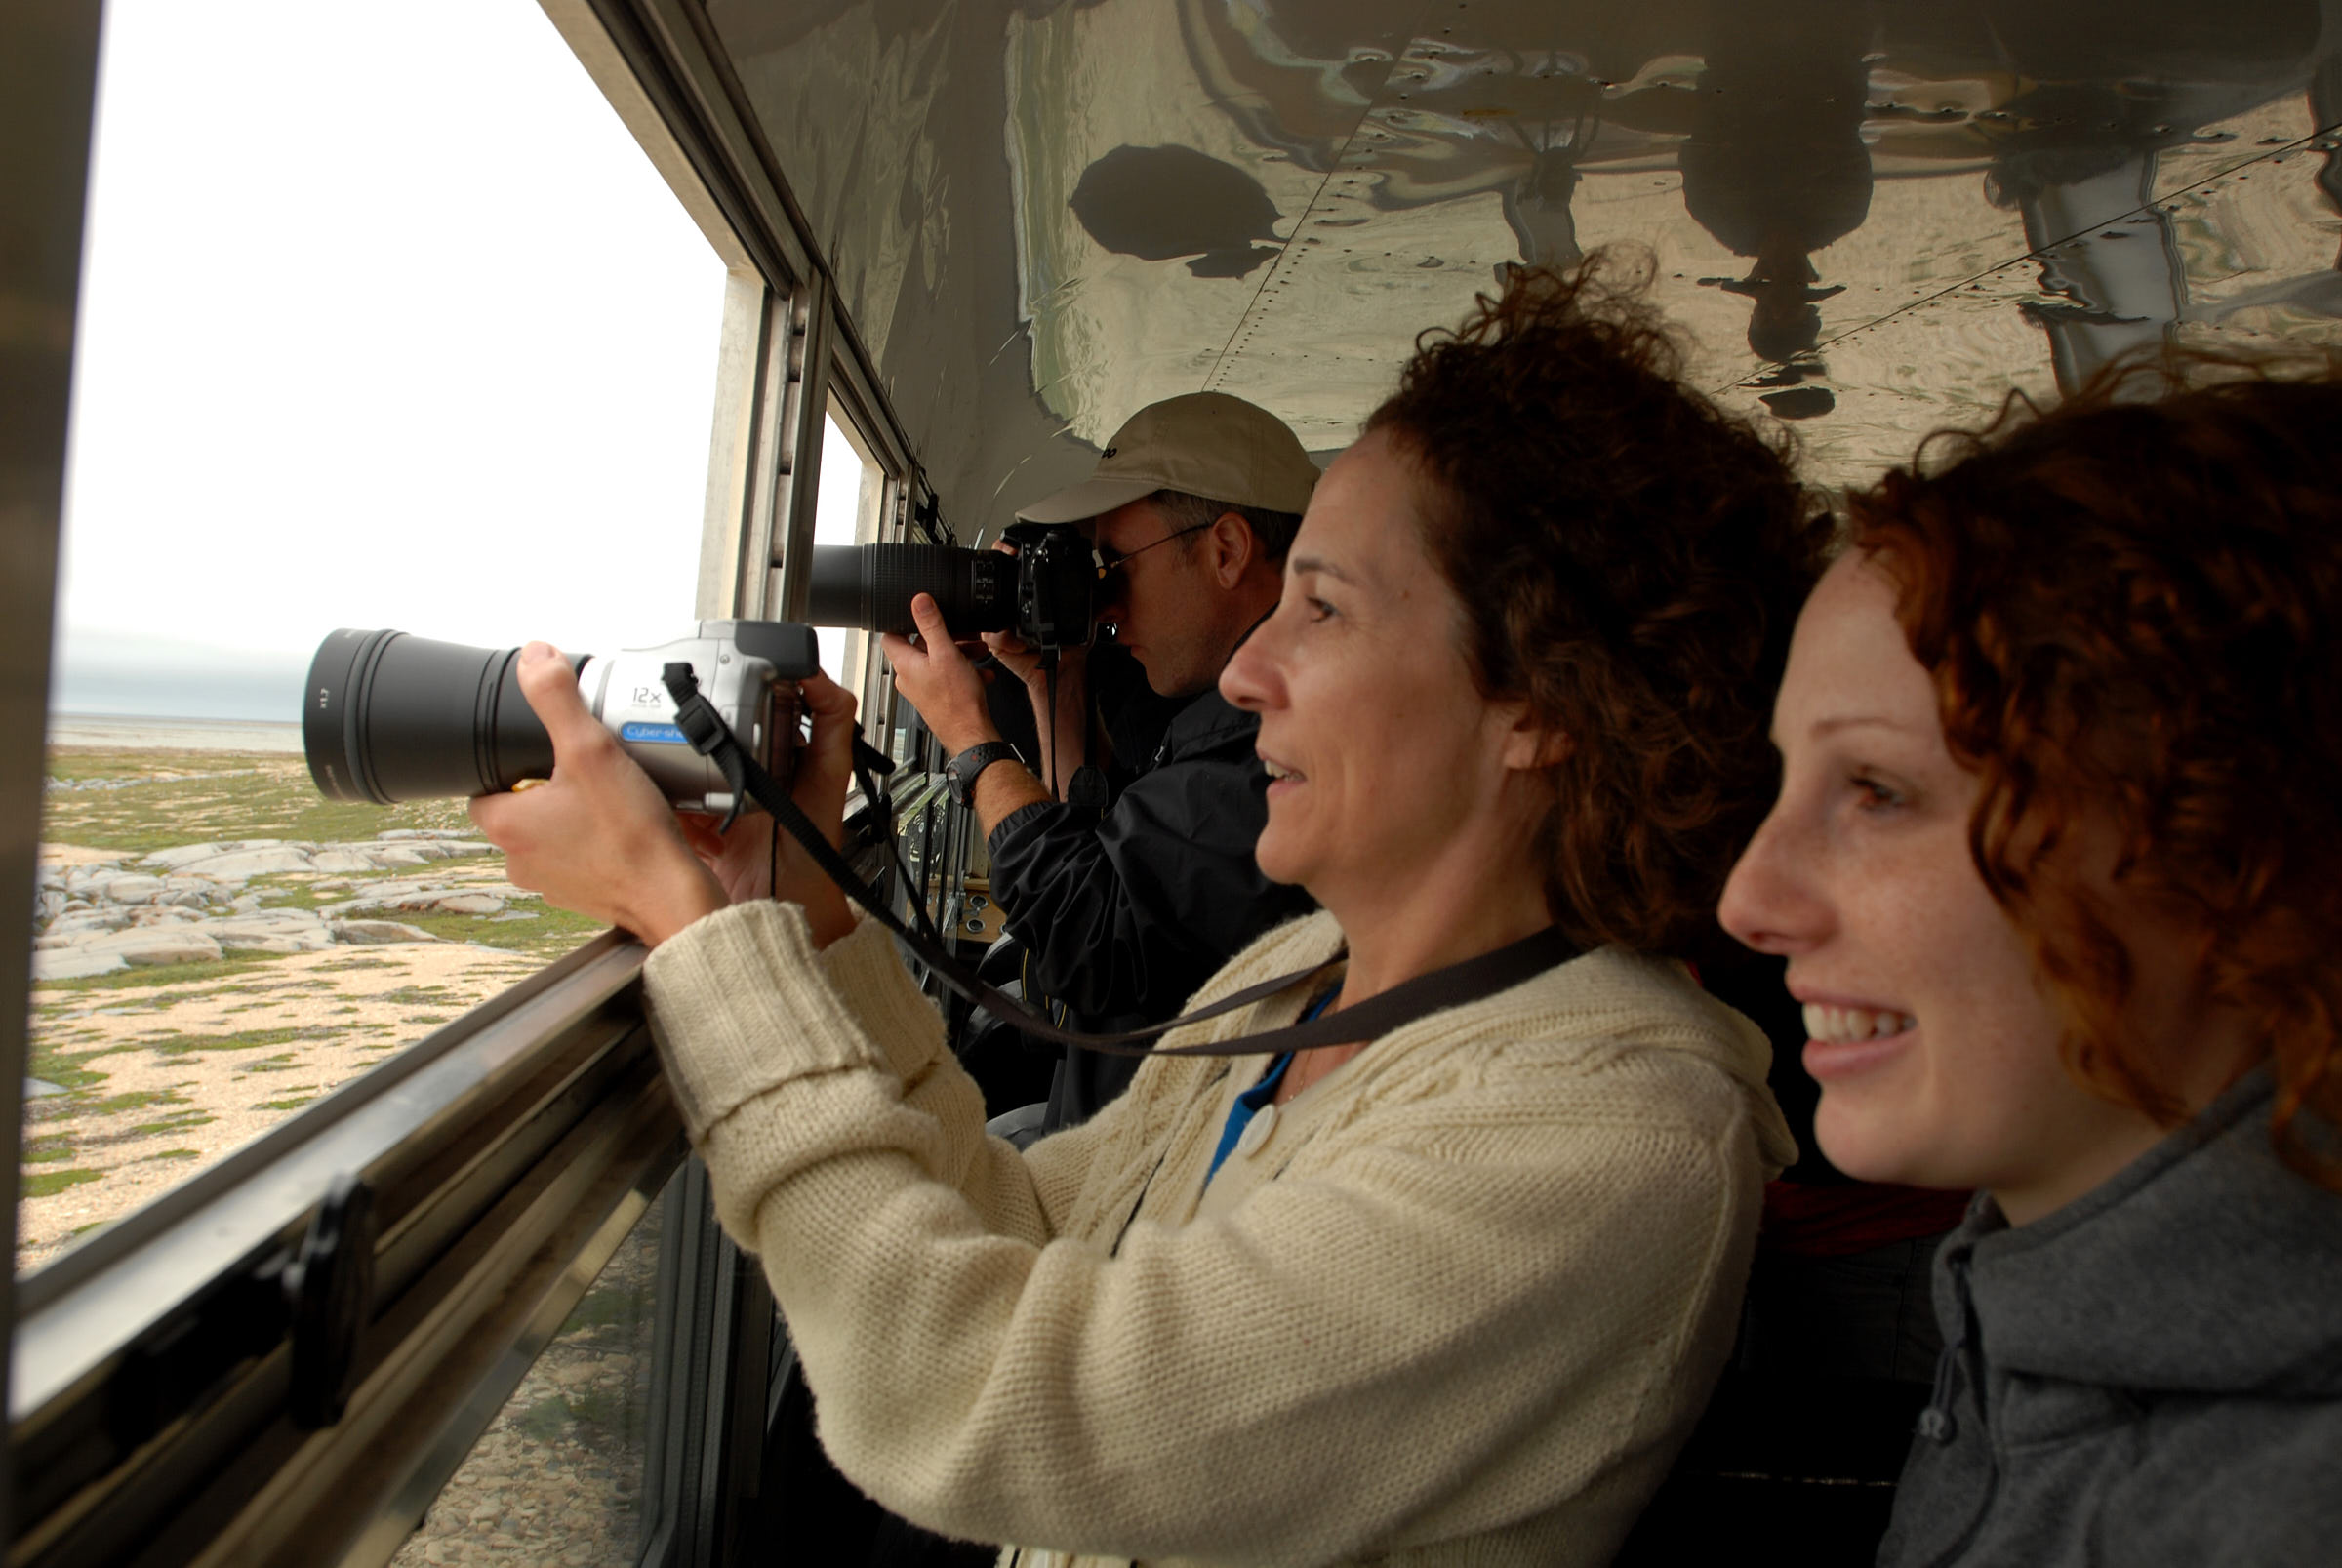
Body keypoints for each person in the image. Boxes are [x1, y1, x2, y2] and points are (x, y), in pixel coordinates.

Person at [472, 256, 1825, 1568]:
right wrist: (804, 905)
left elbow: (973, 1400)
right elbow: (1028, 1221)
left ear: (1540, 697)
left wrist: (697, 935)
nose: (1246, 673)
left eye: (1324, 609)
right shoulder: (1312, 968)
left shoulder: (1603, 1140)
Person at [1719, 355, 2342, 1567]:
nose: (1752, 898)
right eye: (1789, 780)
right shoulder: (2043, 1293)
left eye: (1881, 790)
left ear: (2237, 839)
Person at [888, 390, 1319, 1123]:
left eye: (1116, 565)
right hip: (1113, 1119)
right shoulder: (1235, 721)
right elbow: (1117, 858)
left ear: (1226, 551)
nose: (1107, 602)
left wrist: (970, 738)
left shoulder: (1279, 749)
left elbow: (1090, 936)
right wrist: (1053, 683)